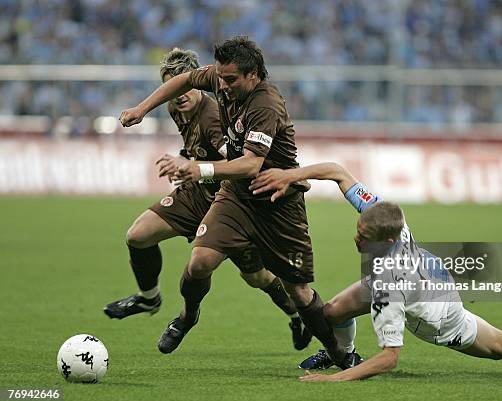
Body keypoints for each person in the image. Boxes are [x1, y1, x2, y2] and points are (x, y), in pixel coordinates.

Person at [118, 37, 360, 367]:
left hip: (277, 201)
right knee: (200, 261)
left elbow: (250, 164)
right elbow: (185, 79)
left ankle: (339, 355)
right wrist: (141, 109)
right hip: (235, 196)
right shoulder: (220, 80)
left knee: (298, 291)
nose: (222, 85)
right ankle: (187, 317)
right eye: (219, 77)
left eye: (230, 80)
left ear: (253, 75)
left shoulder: (265, 105)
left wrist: (196, 167)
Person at [249, 162, 502, 381]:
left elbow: (390, 358)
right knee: (331, 312)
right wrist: (291, 175)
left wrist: (334, 382)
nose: (355, 239)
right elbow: (338, 172)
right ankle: (342, 352)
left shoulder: (391, 284)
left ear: (385, 240)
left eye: (363, 238)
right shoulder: (388, 217)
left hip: (440, 316)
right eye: (359, 231)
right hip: (425, 274)